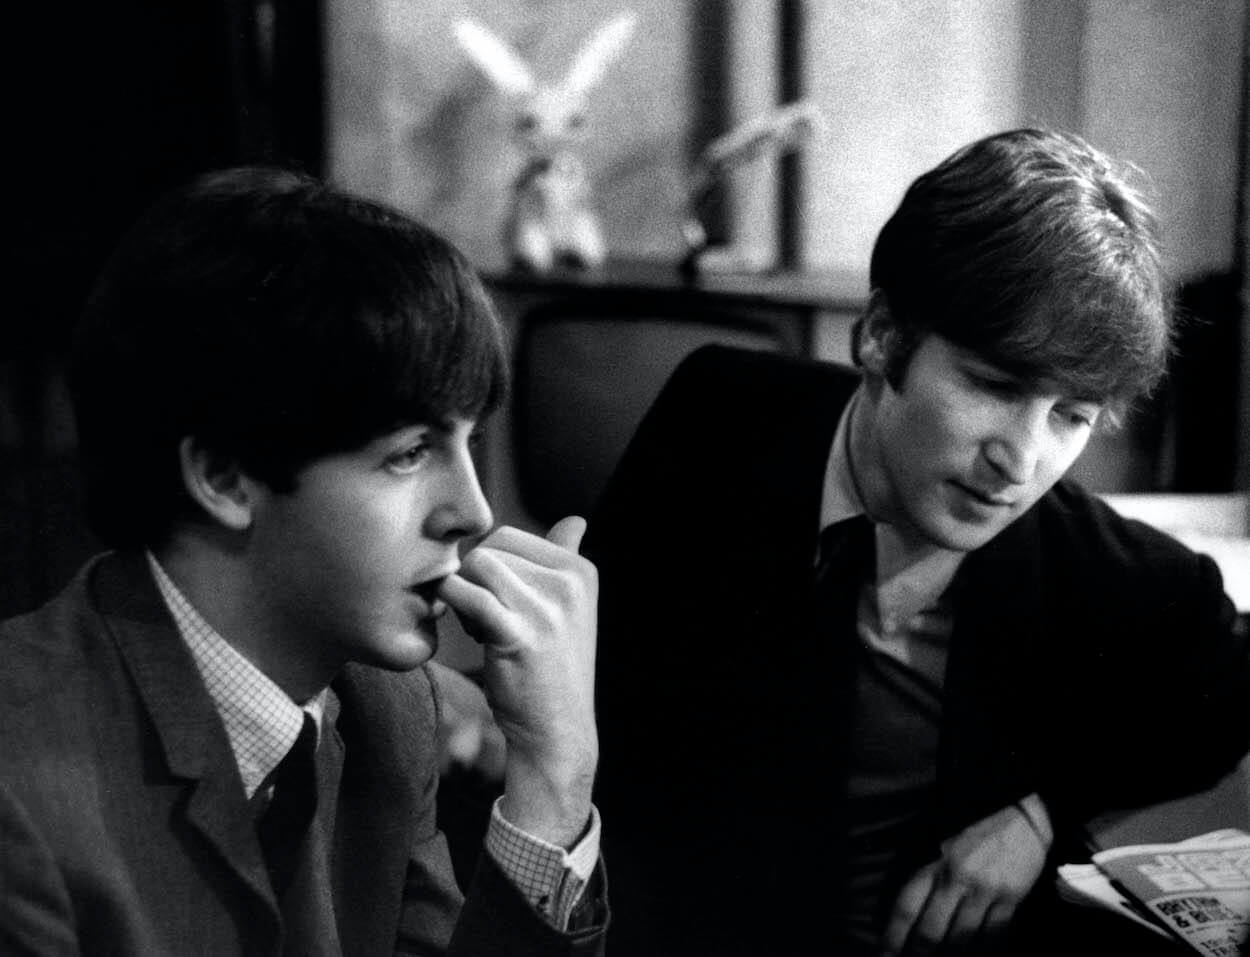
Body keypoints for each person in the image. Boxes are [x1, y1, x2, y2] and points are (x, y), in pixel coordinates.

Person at [584, 128, 1250, 955]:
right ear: (882, 337)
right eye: (996, 385)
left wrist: (1041, 812)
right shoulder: (719, 411)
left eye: (1070, 415)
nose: (1021, 459)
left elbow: (1232, 683)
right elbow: (593, 666)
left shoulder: (1086, 556)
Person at [0, 168, 607, 956]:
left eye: (470, 441)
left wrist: (554, 777)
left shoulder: (389, 710)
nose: (475, 512)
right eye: (410, 452)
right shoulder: (21, 787)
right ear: (223, 475)